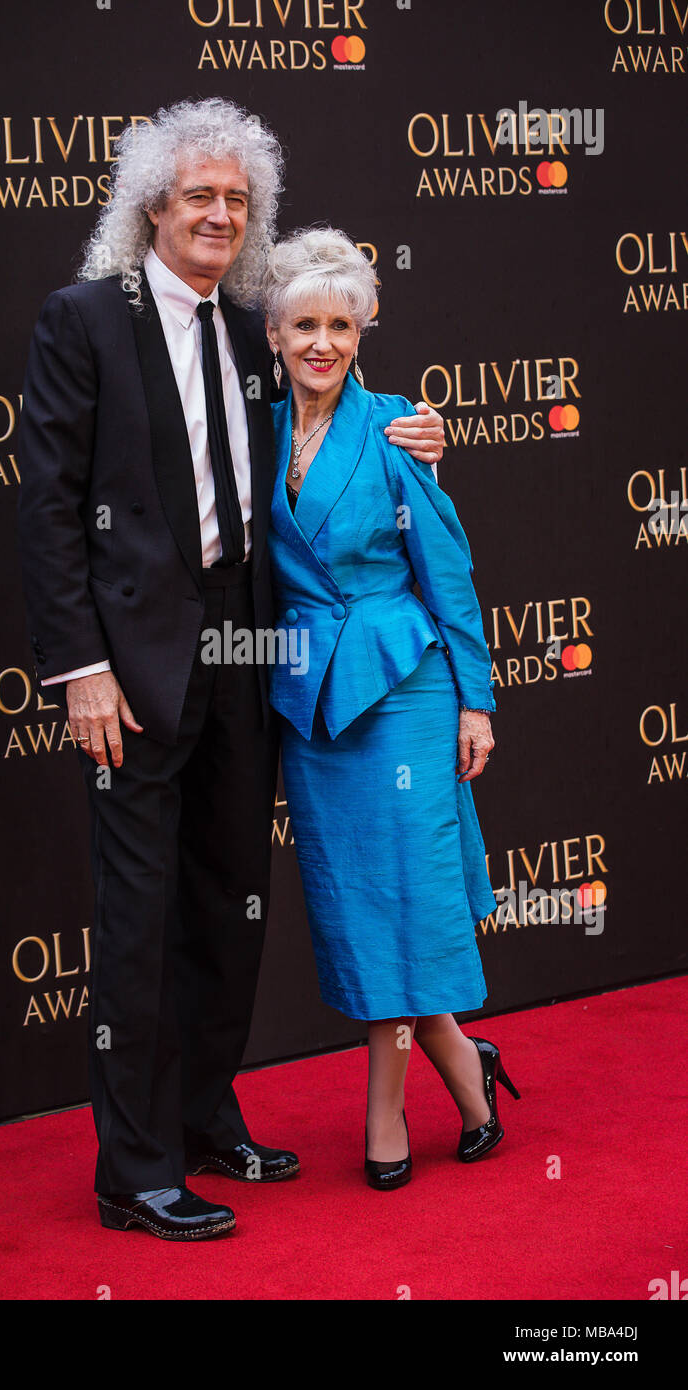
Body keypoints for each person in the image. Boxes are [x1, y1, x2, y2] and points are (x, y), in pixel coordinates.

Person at [16, 99, 447, 1241]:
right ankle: (134, 1169)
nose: (218, 214)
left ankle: (207, 1119)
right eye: (198, 195)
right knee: (139, 917)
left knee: (228, 906)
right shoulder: (85, 320)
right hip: (130, 661)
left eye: (236, 201)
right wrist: (78, 669)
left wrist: (413, 430)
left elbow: (331, 398)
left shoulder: (247, 325)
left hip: (246, 648)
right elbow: (49, 509)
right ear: (150, 204)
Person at [264, 227, 520, 1191]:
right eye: (304, 325)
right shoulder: (253, 435)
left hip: (406, 688)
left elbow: (448, 578)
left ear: (364, 330)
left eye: (341, 323)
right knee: (358, 902)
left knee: (408, 897)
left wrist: (476, 705)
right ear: (275, 334)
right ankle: (469, 1067)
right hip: (312, 703)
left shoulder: (400, 427)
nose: (322, 342)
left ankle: (383, 1111)